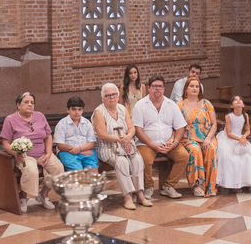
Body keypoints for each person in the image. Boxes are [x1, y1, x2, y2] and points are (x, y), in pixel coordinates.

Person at [0, 92, 64, 213]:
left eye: (32, 103)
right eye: (26, 102)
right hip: (24, 155)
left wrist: (49, 153)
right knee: (31, 171)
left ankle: (43, 194)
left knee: (58, 168)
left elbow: (48, 136)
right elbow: (5, 143)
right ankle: (23, 197)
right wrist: (15, 153)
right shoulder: (10, 120)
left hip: (42, 153)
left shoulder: (40, 116)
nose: (30, 105)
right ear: (18, 105)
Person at [93, 82, 149, 210]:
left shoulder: (122, 108)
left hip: (126, 145)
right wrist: (120, 139)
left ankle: (140, 194)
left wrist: (128, 137)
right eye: (108, 95)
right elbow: (101, 134)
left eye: (114, 94)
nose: (111, 97)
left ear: (118, 96)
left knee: (137, 159)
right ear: (103, 98)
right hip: (106, 147)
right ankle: (128, 197)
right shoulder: (99, 112)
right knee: (122, 162)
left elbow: (131, 128)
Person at [132, 76, 189, 199]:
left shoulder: (171, 105)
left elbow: (180, 127)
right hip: (146, 143)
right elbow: (137, 129)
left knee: (183, 156)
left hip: (169, 143)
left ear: (164, 89)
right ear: (148, 88)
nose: (158, 89)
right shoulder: (140, 105)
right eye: (154, 86)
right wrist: (152, 145)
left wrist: (174, 143)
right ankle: (148, 187)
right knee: (145, 160)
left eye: (160, 86)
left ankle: (168, 186)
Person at [178, 76, 218, 197]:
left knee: (211, 148)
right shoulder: (179, 105)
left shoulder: (207, 103)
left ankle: (210, 185)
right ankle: (197, 185)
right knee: (195, 150)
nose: (195, 89)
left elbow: (214, 123)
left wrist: (208, 138)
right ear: (186, 89)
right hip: (188, 138)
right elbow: (176, 124)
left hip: (206, 136)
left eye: (197, 86)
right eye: (192, 86)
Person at [215, 96, 251, 192]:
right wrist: (239, 139)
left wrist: (243, 137)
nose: (238, 101)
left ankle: (245, 181)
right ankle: (231, 183)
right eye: (235, 100)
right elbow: (228, 133)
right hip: (229, 138)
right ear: (232, 106)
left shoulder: (245, 116)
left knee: (248, 154)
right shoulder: (229, 116)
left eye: (240, 100)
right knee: (229, 157)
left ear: (243, 105)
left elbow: (248, 130)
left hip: (240, 137)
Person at [54, 96, 98, 171]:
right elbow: (60, 145)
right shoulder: (62, 124)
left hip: (86, 152)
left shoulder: (87, 123)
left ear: (82, 110)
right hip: (67, 153)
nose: (77, 112)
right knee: (78, 173)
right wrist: (79, 150)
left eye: (79, 109)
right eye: (73, 109)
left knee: (93, 173)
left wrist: (80, 149)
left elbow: (91, 143)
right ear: (68, 110)